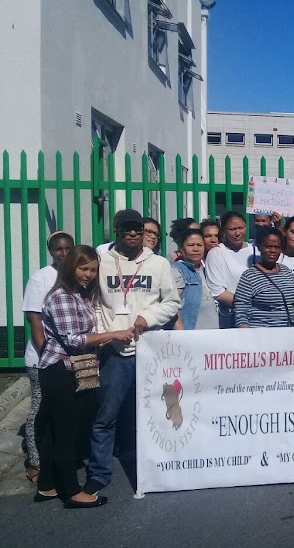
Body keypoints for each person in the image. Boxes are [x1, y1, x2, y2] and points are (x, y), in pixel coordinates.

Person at [83, 209, 181, 496]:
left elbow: (171, 302)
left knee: (160, 411)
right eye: (126, 229)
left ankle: (161, 464)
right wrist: (107, 334)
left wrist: (146, 318)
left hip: (150, 350)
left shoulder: (159, 264)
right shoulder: (102, 259)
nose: (133, 234)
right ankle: (99, 474)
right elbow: (94, 302)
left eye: (138, 229)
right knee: (107, 415)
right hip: (115, 351)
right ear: (116, 231)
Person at [35, 245, 133, 508]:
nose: (88, 274)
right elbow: (74, 340)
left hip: (71, 369)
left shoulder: (78, 294)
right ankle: (71, 492)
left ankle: (47, 486)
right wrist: (114, 334)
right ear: (70, 266)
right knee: (66, 433)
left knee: (55, 432)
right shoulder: (61, 297)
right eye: (83, 268)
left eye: (92, 269)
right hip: (61, 370)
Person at [21, 231, 74, 484]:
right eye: (58, 250)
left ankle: (60, 456)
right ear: (50, 251)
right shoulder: (41, 278)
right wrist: (47, 356)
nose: (63, 254)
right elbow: (35, 320)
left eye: (67, 249)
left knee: (64, 409)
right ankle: (36, 462)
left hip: (69, 356)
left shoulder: (77, 274)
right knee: (39, 409)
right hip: (43, 359)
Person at [234, 227, 294, 328]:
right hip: (263, 337)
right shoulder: (249, 276)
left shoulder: (286, 271)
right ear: (259, 247)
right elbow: (241, 312)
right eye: (268, 246)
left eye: (277, 247)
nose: (273, 250)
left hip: (289, 335)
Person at [204, 211, 259, 328]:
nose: (238, 233)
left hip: (260, 319)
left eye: (241, 228)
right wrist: (252, 305)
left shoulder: (256, 250)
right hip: (231, 319)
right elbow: (217, 292)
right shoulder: (216, 253)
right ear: (223, 230)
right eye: (232, 229)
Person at [171, 228, 218, 330]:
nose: (196, 249)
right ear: (182, 249)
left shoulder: (207, 270)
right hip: (191, 338)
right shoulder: (177, 271)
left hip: (213, 338)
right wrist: (182, 335)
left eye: (199, 245)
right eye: (191, 245)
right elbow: (171, 304)